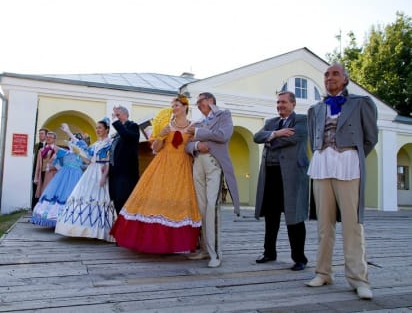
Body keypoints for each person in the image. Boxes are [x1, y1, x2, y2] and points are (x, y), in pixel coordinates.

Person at [306, 64, 378, 300]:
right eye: (326, 74)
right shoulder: (315, 108)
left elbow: (370, 138)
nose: (330, 78)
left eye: (335, 74)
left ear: (345, 79)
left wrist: (351, 155)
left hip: (348, 164)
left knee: (352, 224)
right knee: (324, 225)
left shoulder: (361, 102)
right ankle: (323, 272)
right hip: (322, 163)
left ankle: (359, 279)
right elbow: (312, 137)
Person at [110, 95, 202, 254]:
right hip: (163, 164)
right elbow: (157, 148)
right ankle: (152, 241)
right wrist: (161, 135)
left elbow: (193, 148)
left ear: (185, 107)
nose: (174, 108)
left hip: (182, 166)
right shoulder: (166, 125)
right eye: (173, 105)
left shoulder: (194, 126)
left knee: (177, 201)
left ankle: (174, 242)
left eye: (177, 105)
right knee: (156, 199)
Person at [253, 91, 309, 271]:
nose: (280, 106)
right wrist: (276, 133)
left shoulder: (302, 120)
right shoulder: (271, 123)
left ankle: (299, 258)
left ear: (293, 104)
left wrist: (270, 139)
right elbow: (256, 137)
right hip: (271, 174)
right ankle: (269, 252)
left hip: (292, 176)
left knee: (295, 218)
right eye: (278, 103)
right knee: (271, 216)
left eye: (284, 102)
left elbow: (293, 138)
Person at [185, 92, 240, 268]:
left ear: (210, 101)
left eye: (200, 101)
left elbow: (223, 135)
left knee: (211, 207)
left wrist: (199, 133)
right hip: (198, 164)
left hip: (214, 164)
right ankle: (203, 249)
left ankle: (215, 253)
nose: (198, 104)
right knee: (200, 207)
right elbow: (187, 144)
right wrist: (196, 145)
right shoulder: (198, 122)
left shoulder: (223, 115)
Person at [55, 118, 116, 242]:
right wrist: (68, 132)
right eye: (97, 128)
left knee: (101, 198)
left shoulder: (110, 143)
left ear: (107, 129)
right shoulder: (96, 144)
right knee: (86, 197)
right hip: (91, 171)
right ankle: (84, 229)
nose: (98, 130)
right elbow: (85, 151)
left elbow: (110, 161)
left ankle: (100, 231)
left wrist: (104, 176)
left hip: (101, 171)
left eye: (100, 128)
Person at [30, 133, 85, 227]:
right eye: (71, 141)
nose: (72, 143)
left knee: (73, 195)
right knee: (59, 194)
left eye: (74, 141)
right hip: (63, 176)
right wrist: (59, 169)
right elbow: (55, 162)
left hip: (76, 176)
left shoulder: (82, 154)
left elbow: (87, 163)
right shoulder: (64, 152)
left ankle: (72, 219)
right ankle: (54, 217)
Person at [109, 105, 140, 214]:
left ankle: (124, 227)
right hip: (115, 171)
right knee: (116, 199)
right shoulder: (119, 131)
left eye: (118, 115)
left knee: (124, 199)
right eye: (115, 116)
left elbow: (127, 136)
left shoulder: (133, 126)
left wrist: (116, 122)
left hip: (126, 172)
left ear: (126, 115)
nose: (116, 118)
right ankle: (118, 226)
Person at [33, 131, 58, 201]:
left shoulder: (58, 150)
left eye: (50, 137)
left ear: (54, 139)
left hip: (53, 174)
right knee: (43, 192)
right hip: (43, 174)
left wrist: (53, 167)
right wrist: (36, 177)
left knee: (52, 191)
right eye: (47, 137)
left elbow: (61, 164)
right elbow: (38, 165)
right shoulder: (41, 150)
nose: (48, 139)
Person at [31, 128, 48, 208]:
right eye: (39, 134)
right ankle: (34, 208)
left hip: (46, 171)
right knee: (35, 189)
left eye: (42, 133)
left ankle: (43, 207)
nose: (40, 135)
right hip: (36, 170)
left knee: (44, 189)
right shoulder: (36, 146)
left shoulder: (49, 146)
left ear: (46, 135)